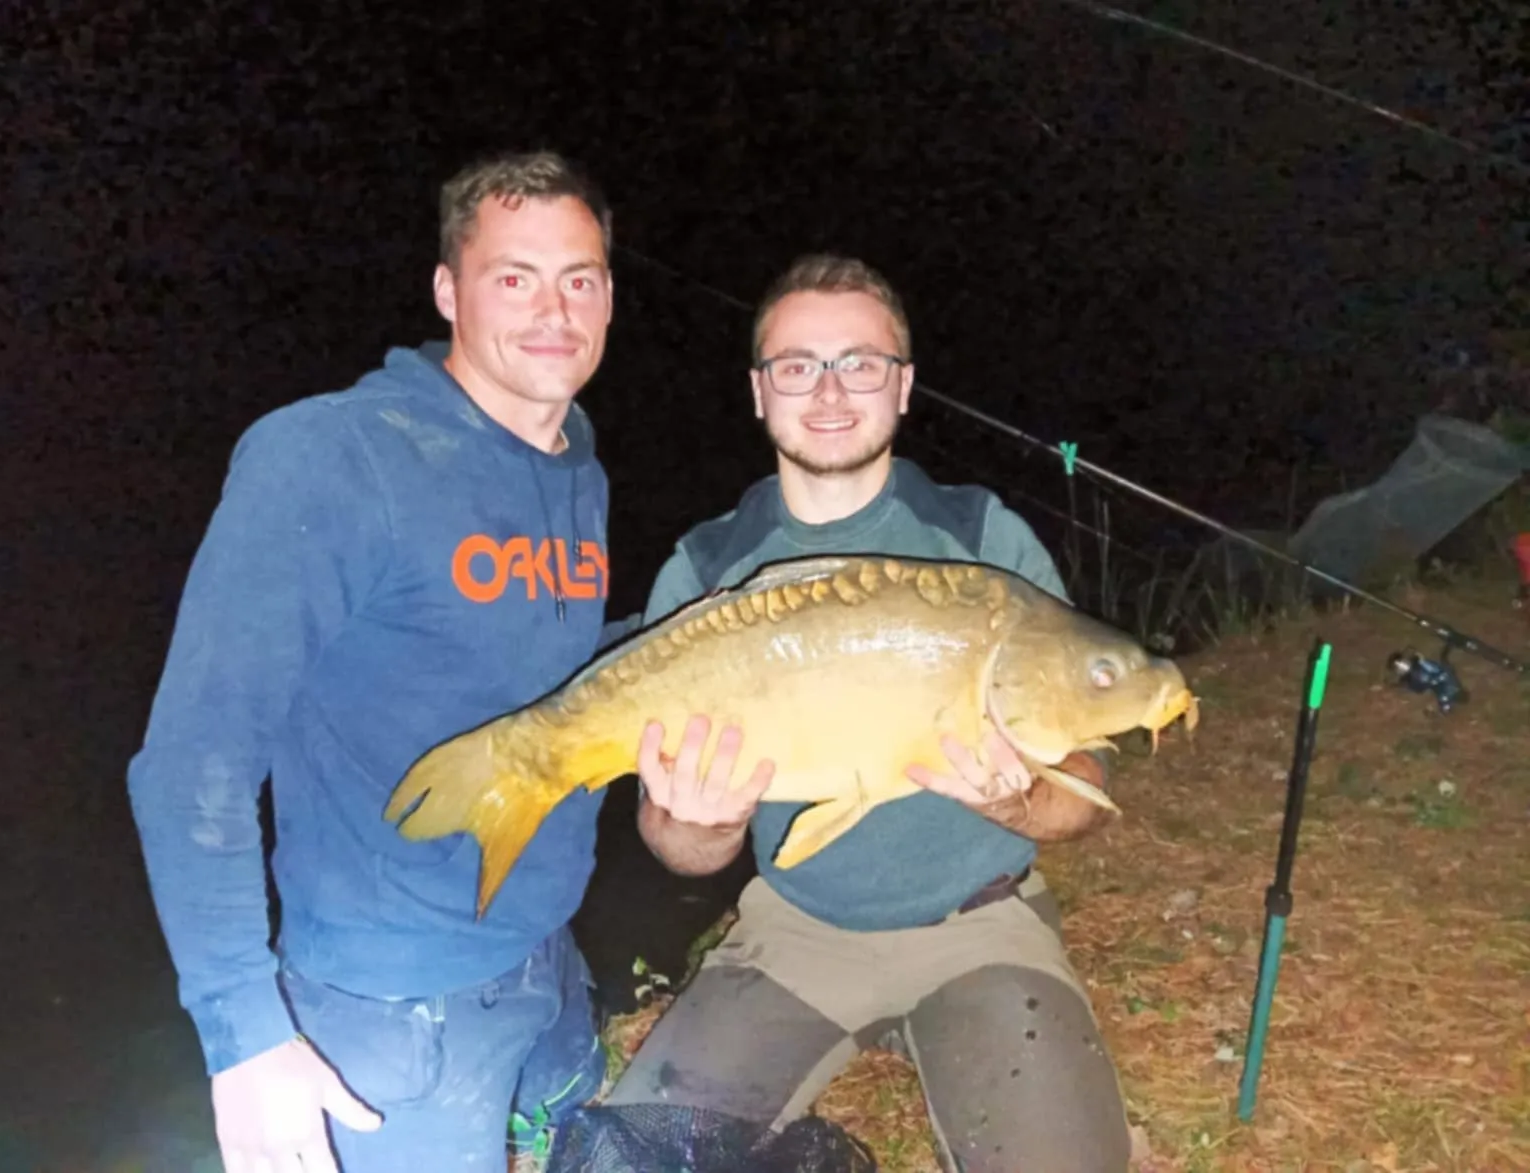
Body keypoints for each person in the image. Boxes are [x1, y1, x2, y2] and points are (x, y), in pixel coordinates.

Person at [127, 151, 621, 1173]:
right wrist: (244, 1033)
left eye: (579, 277)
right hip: (395, 1010)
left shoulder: (577, 460)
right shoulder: (334, 457)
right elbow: (196, 755)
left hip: (544, 957)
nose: (553, 310)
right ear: (447, 291)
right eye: (512, 276)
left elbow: (539, 678)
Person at [603, 255, 1132, 1171]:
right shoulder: (706, 566)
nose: (832, 389)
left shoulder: (982, 542)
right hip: (797, 926)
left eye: (862, 361)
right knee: (635, 1158)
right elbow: (678, 844)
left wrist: (1015, 803)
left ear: (905, 384)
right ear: (759, 392)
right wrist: (701, 824)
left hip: (981, 920)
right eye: (799, 365)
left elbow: (1084, 789)